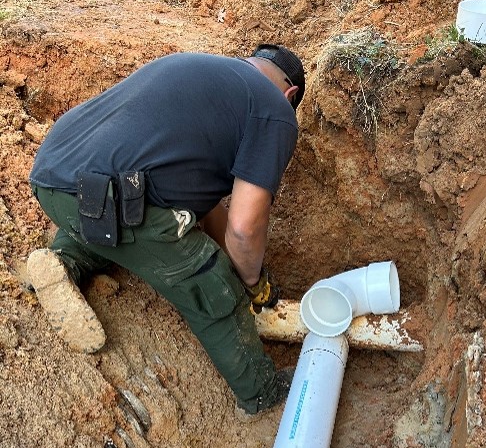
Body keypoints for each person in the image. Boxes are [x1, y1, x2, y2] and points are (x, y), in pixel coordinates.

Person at [26, 45, 305, 415]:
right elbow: (242, 227)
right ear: (291, 95)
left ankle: (63, 259)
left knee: (126, 226)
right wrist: (249, 283)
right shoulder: (276, 111)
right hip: (109, 197)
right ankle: (261, 393)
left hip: (54, 178)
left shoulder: (203, 71)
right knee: (211, 281)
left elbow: (206, 209)